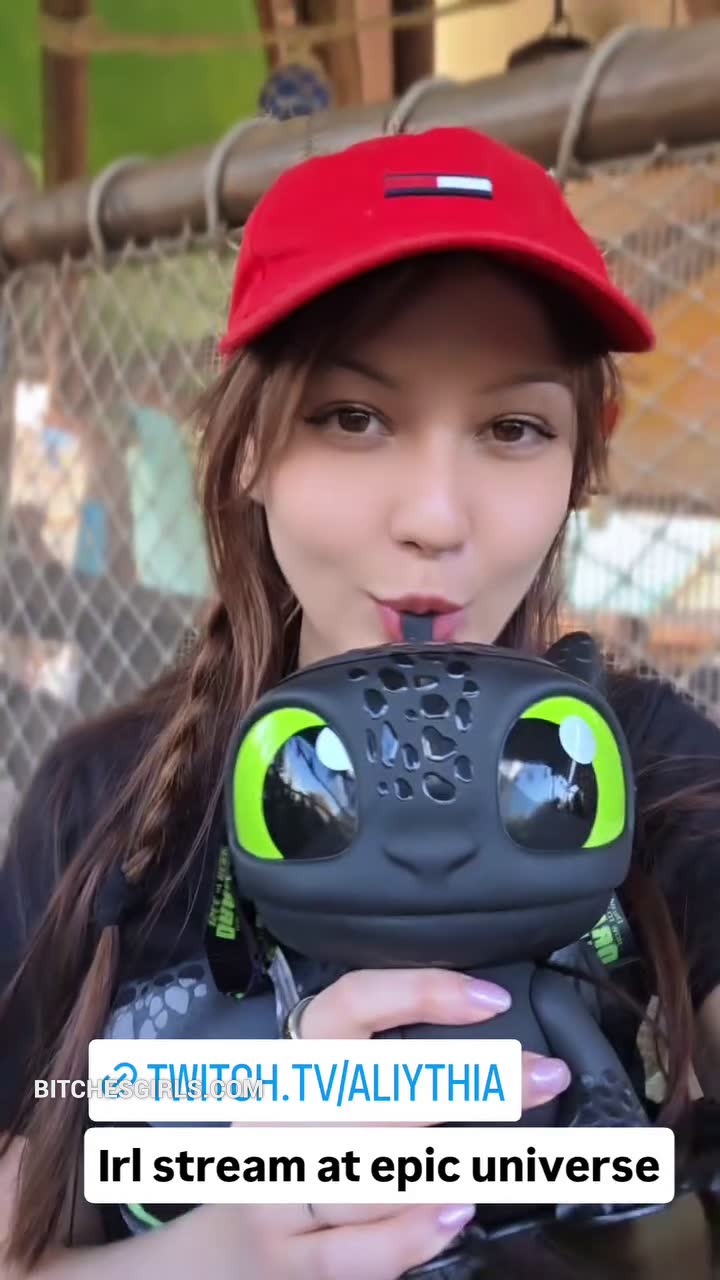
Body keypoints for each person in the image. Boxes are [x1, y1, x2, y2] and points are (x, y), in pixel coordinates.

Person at [1, 125, 720, 1280]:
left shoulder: (649, 766)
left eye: (514, 428)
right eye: (352, 415)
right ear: (245, 445)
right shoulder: (100, 800)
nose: (435, 514)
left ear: (582, 462)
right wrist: (221, 1249)